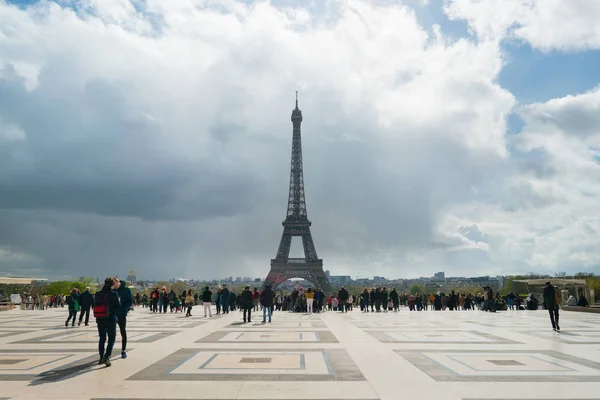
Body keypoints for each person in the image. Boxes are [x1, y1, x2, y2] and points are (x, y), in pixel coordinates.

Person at [94, 277, 121, 367]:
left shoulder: (98, 293)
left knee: (102, 338)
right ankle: (107, 356)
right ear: (112, 284)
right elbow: (118, 306)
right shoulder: (113, 293)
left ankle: (101, 357)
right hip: (111, 318)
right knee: (111, 338)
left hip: (100, 318)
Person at [113, 277, 133, 359]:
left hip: (121, 314)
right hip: (113, 314)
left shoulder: (126, 290)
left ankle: (123, 350)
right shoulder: (113, 290)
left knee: (123, 331)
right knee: (111, 333)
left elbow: (130, 301)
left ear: (118, 282)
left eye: (115, 283)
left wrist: (124, 309)